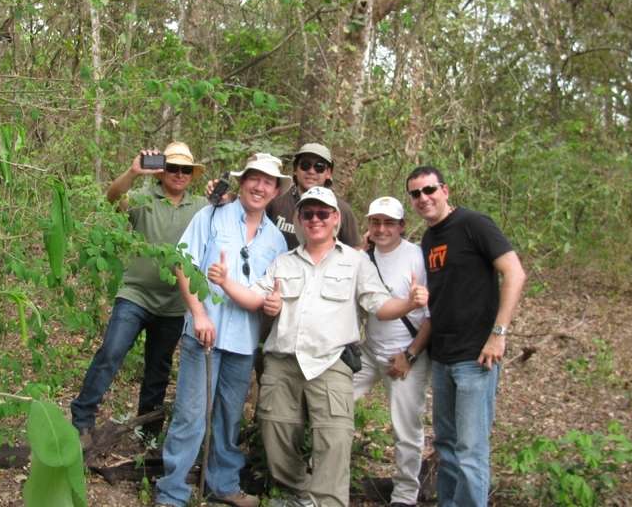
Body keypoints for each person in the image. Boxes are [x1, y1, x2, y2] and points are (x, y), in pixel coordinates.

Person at [207, 186, 429, 507]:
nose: (315, 219)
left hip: (331, 363)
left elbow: (380, 306)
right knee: (274, 432)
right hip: (283, 363)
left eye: (323, 213)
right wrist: (226, 282)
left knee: (334, 441)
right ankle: (300, 492)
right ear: (299, 218)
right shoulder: (283, 262)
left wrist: (408, 303)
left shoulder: (356, 262)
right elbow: (255, 297)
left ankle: (328, 502)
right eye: (308, 213)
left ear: (335, 218)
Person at [155, 153, 290, 507]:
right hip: (204, 334)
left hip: (244, 343)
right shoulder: (212, 215)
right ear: (242, 181)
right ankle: (172, 493)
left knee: (229, 418)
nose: (259, 187)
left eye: (268, 182)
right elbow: (183, 262)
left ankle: (223, 484)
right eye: (254, 179)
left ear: (275, 191)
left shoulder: (278, 241)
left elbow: (270, 295)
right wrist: (198, 314)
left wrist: (273, 306)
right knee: (191, 414)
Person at [70, 142, 209, 449]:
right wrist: (133, 172)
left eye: (186, 169)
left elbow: (228, 217)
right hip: (135, 295)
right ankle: (82, 421)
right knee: (111, 353)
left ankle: (147, 436)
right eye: (172, 168)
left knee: (157, 372)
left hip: (174, 305)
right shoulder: (144, 198)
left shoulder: (201, 206)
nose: (179, 174)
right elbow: (113, 199)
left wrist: (223, 195)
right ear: (161, 172)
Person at [405, 166, 526, 507]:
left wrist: (498, 334)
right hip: (443, 359)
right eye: (415, 194)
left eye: (429, 190)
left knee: (471, 451)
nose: (423, 198)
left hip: (477, 356)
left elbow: (515, 274)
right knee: (446, 445)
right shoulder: (429, 238)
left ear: (445, 189)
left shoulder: (475, 224)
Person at [354, 196, 431, 507]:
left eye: (389, 223)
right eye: (376, 222)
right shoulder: (361, 257)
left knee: (406, 429)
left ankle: (404, 495)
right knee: (332, 401)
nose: (382, 229)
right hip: (369, 352)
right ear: (369, 225)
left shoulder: (418, 258)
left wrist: (410, 354)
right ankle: (322, 475)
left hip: (407, 355)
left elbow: (431, 316)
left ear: (402, 226)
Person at [266, 143, 362, 250]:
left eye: (319, 167)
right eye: (305, 165)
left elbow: (355, 251)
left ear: (329, 173)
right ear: (295, 169)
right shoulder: (276, 200)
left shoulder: (341, 209)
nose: (311, 171)